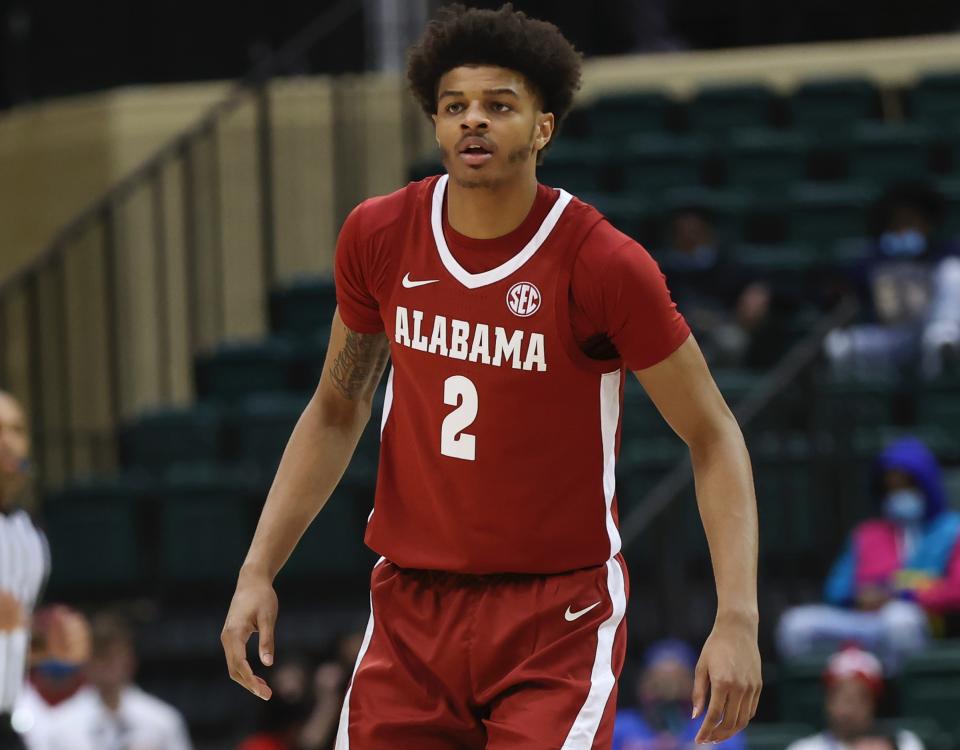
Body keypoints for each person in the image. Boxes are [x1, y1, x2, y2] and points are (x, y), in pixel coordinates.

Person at [221, 5, 761, 749]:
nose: (473, 121)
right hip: (412, 607)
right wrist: (257, 569)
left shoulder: (603, 264)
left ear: (544, 126)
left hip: (555, 617)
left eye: (498, 106)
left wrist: (736, 616)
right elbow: (337, 408)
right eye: (454, 107)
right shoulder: (378, 236)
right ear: (436, 125)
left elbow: (712, 433)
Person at [776, 436, 960, 672]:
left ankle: (897, 694)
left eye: (907, 486)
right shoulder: (868, 534)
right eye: (891, 488)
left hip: (923, 623)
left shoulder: (951, 530)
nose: (899, 494)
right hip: (864, 622)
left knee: (899, 619)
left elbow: (955, 590)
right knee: (795, 625)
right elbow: (836, 588)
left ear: (926, 485)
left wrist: (900, 595)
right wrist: (858, 596)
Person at [825, 181, 960, 380]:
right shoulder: (872, 258)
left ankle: (943, 341)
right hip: (892, 336)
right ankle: (857, 401)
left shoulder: (944, 252)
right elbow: (842, 288)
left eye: (912, 222)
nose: (904, 230)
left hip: (933, 330)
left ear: (928, 224)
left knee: (953, 271)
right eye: (898, 224)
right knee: (838, 345)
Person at [43, 612, 191, 750]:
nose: (106, 666)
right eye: (100, 657)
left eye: (114, 656)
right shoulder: (60, 726)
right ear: (86, 663)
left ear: (130, 660)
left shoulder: (162, 721)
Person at [0, 390, 49, 750]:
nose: (7, 442)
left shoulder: (30, 536)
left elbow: (14, 641)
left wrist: (48, 645)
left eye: (16, 429)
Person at [613, 639, 745, 750]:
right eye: (657, 684)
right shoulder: (619, 725)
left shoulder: (716, 726)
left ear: (697, 685)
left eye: (678, 683)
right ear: (641, 685)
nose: (668, 693)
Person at [785, 646, 924, 750]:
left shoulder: (904, 743)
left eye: (859, 698)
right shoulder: (804, 748)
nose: (848, 708)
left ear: (873, 703)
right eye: (841, 697)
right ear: (828, 701)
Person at [13, 605, 91, 750]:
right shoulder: (11, 698)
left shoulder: (101, 699)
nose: (55, 652)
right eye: (46, 642)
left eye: (63, 642)